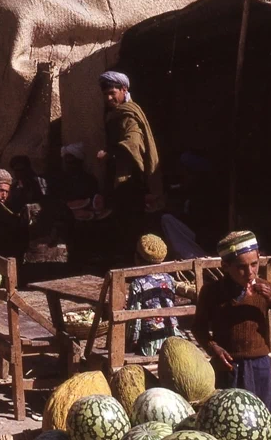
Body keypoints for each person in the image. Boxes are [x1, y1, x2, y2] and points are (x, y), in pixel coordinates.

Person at [192, 231, 271, 414]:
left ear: (259, 257)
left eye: (254, 264)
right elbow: (198, 328)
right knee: (231, 421)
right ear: (225, 266)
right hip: (228, 368)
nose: (250, 272)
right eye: (241, 267)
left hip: (259, 367)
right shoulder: (212, 292)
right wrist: (213, 347)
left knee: (263, 419)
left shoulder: (266, 290)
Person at [96, 71, 163, 246]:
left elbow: (132, 142)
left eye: (112, 93)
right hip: (123, 176)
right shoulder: (117, 113)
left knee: (131, 224)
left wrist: (109, 153)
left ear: (124, 90)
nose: (109, 98)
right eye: (105, 94)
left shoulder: (127, 113)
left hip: (130, 179)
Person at [126, 234, 181, 356]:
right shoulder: (169, 279)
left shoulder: (137, 284)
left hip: (150, 342)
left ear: (137, 258)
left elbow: (134, 319)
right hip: (172, 335)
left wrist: (131, 341)